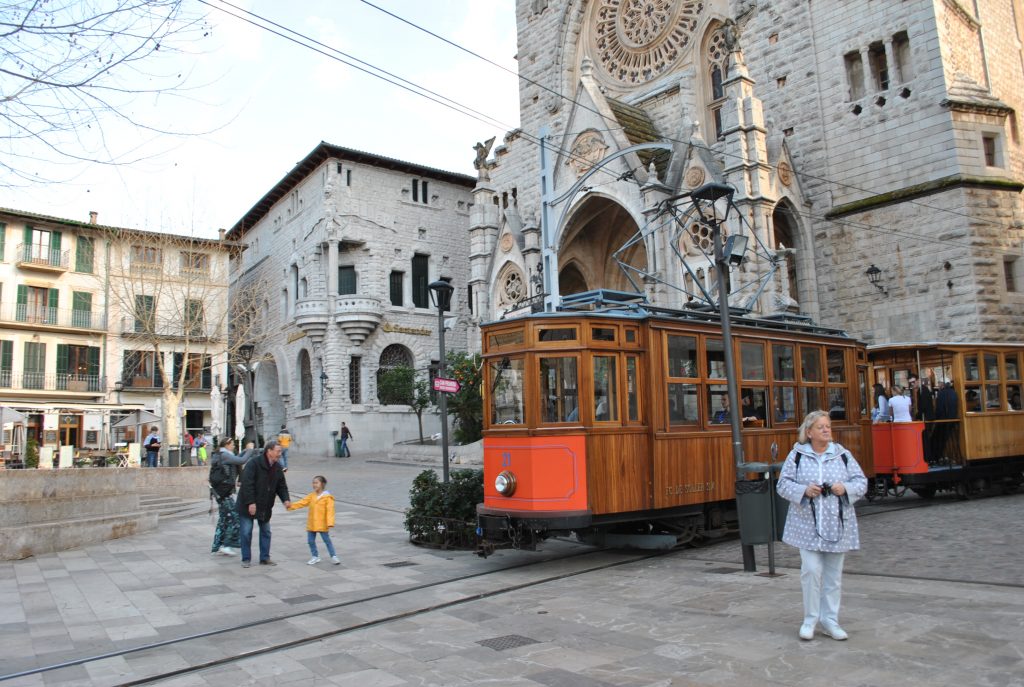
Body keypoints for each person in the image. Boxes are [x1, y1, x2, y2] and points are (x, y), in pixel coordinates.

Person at [776, 410, 868, 641]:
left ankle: (830, 621)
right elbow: (782, 484)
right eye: (821, 427)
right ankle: (810, 620)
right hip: (806, 525)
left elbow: (861, 482)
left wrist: (844, 488)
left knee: (833, 575)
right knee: (811, 571)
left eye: (828, 426)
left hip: (837, 524)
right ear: (809, 432)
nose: (826, 430)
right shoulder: (796, 455)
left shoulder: (842, 455)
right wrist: (804, 490)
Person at [235, 440, 291, 568]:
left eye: (280, 451)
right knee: (246, 532)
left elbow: (281, 486)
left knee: (266, 531)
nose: (280, 454)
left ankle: (265, 558)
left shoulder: (277, 468)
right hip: (247, 504)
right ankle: (246, 559)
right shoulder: (253, 464)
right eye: (278, 451)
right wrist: (251, 502)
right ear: (269, 451)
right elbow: (247, 485)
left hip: (265, 505)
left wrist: (286, 499)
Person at [288, 475, 340, 565]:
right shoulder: (311, 496)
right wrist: (290, 506)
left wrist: (330, 522)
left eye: (316, 483)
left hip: (322, 524)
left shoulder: (328, 497)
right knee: (310, 541)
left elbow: (330, 511)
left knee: (327, 541)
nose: (314, 485)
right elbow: (302, 502)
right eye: (313, 483)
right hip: (312, 523)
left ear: (322, 484)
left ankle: (333, 556)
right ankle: (315, 556)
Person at [208, 437, 246, 556]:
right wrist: (250, 450)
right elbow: (241, 460)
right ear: (227, 444)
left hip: (220, 493)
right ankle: (226, 545)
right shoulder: (225, 455)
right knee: (234, 517)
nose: (234, 446)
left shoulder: (220, 455)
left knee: (224, 519)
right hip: (224, 493)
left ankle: (218, 545)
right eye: (232, 444)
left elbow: (238, 459)